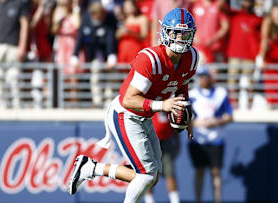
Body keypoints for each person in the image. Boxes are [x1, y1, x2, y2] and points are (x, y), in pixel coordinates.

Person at [68, 8, 199, 203]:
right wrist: (163, 105)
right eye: (175, 33)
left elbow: (181, 84)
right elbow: (129, 99)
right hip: (125, 113)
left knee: (151, 177)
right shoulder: (151, 58)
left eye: (184, 34)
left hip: (144, 116)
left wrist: (184, 111)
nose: (180, 39)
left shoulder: (192, 58)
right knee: (146, 175)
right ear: (165, 32)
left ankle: (91, 168)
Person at [188, 67, 233, 203]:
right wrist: (197, 123)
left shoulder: (221, 93)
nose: (203, 80)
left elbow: (230, 116)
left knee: (216, 172)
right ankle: (198, 200)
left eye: (205, 76)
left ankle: (217, 200)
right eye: (200, 77)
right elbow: (184, 119)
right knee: (199, 171)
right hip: (198, 140)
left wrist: (216, 121)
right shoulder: (192, 94)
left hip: (216, 139)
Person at [0, 0, 29, 108]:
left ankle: (18, 109)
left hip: (13, 48)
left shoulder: (19, 3)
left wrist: (22, 46)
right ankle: (0, 111)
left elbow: (24, 25)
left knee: (14, 79)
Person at [144, 112, 181, 203]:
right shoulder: (147, 106)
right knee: (148, 174)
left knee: (170, 173)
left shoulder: (168, 109)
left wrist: (177, 143)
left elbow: (175, 127)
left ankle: (175, 200)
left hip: (165, 143)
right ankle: (149, 200)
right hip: (149, 142)